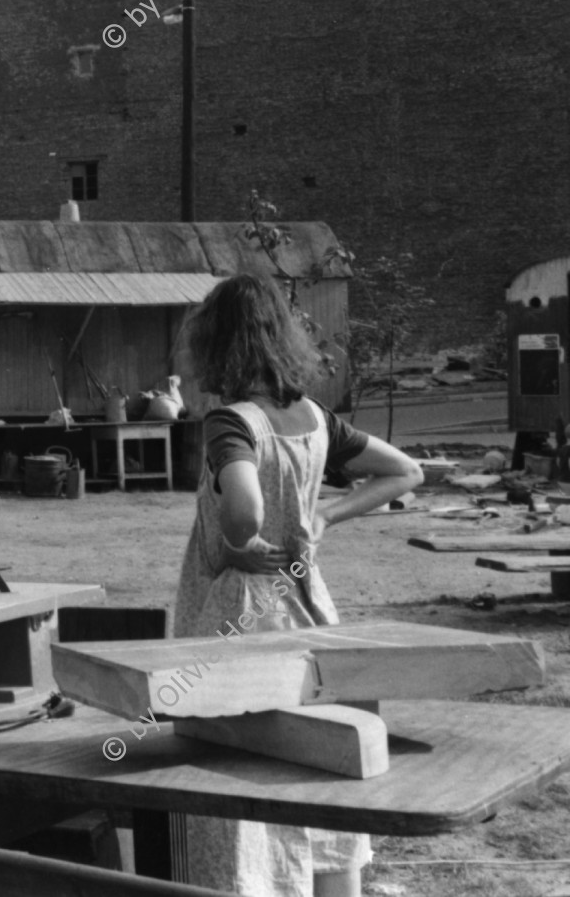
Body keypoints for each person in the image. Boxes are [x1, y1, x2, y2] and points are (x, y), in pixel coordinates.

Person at [172, 274, 422, 897]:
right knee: (320, 766)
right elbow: (405, 471)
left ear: (216, 344)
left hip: (238, 625)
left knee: (235, 779)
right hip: (310, 614)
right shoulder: (313, 417)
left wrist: (241, 539)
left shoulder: (231, 422)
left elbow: (245, 509)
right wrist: (323, 515)